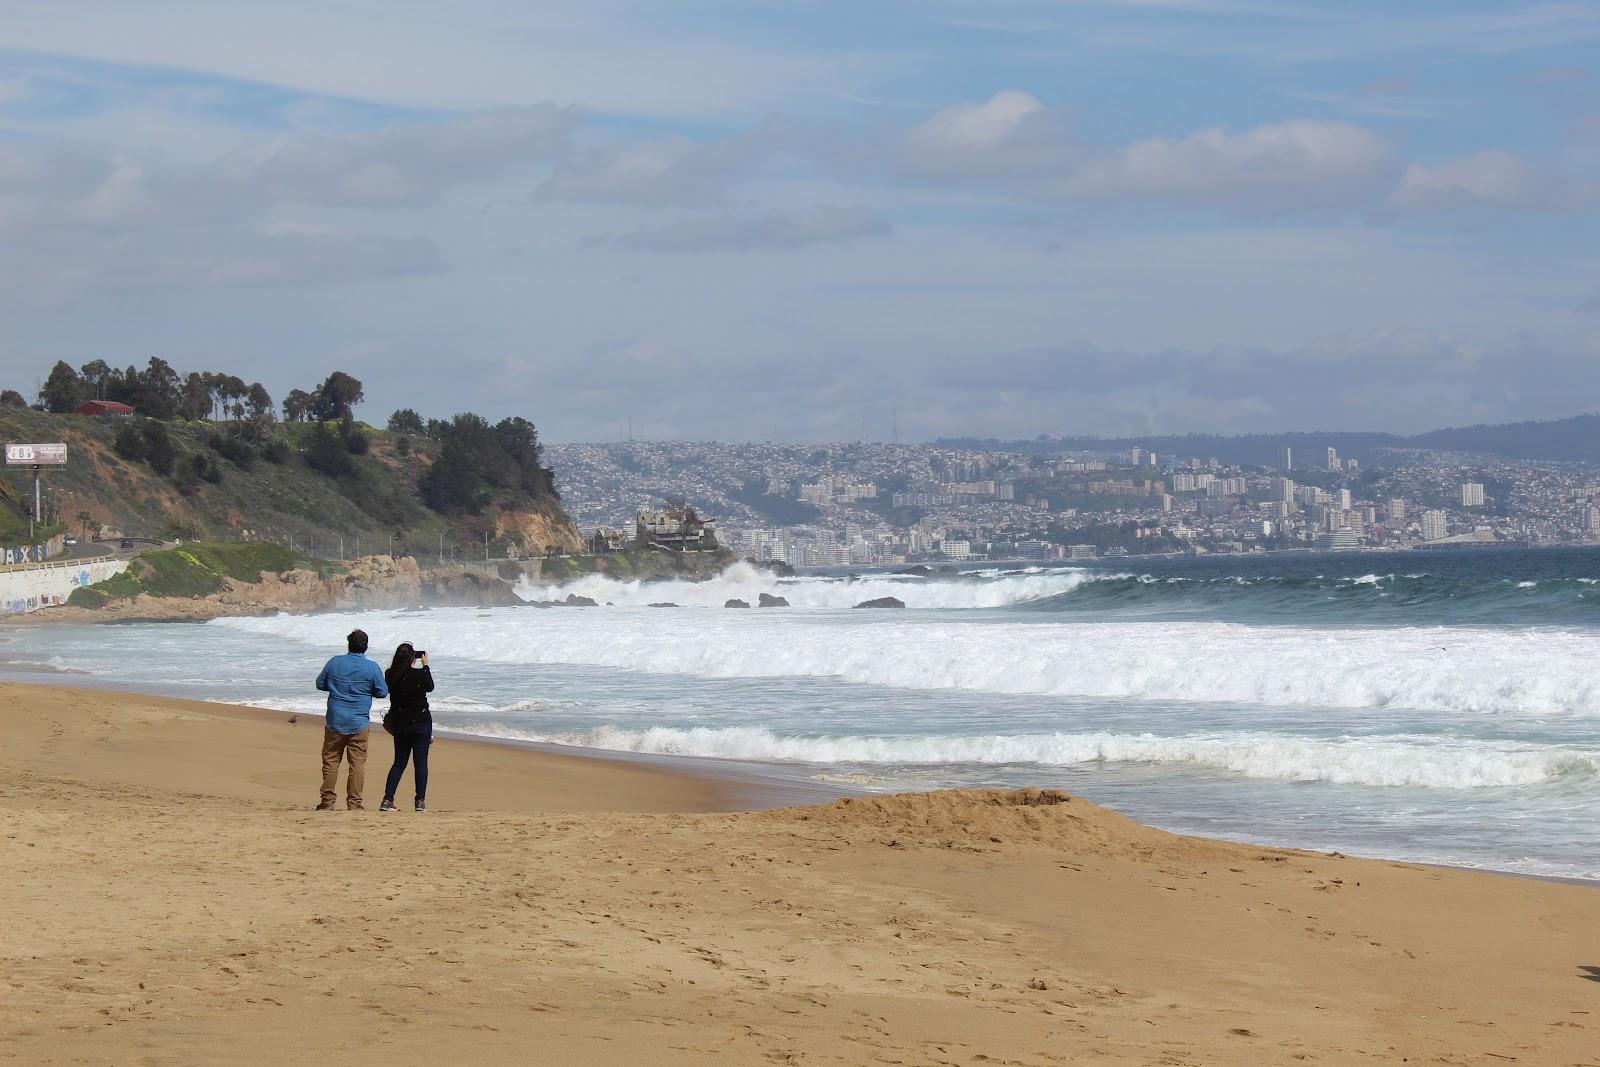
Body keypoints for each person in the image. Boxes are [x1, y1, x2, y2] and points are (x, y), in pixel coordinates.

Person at [314, 628, 389, 811]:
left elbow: (320, 683)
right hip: (359, 722)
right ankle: (354, 803)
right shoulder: (372, 667)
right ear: (366, 647)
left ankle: (327, 801)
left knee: (331, 761)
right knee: (357, 764)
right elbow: (382, 692)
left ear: (349, 645)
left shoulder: (335, 662)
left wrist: (337, 687)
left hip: (335, 720)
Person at [380, 642, 435, 812]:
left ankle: (388, 799)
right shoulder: (419, 674)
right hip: (420, 721)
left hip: (401, 723)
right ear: (413, 658)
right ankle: (420, 801)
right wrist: (425, 666)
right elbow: (430, 687)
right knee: (420, 764)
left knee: (399, 762)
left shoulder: (390, 675)